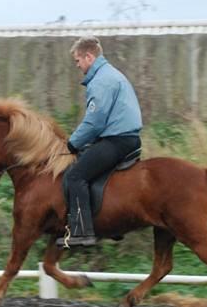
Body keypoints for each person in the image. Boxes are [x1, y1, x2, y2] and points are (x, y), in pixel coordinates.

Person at [57, 36, 143, 248]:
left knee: (75, 176)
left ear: (89, 56)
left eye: (78, 61)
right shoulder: (111, 74)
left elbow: (95, 121)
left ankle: (81, 232)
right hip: (125, 138)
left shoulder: (101, 81)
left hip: (117, 140)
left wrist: (73, 143)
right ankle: (111, 224)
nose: (78, 66)